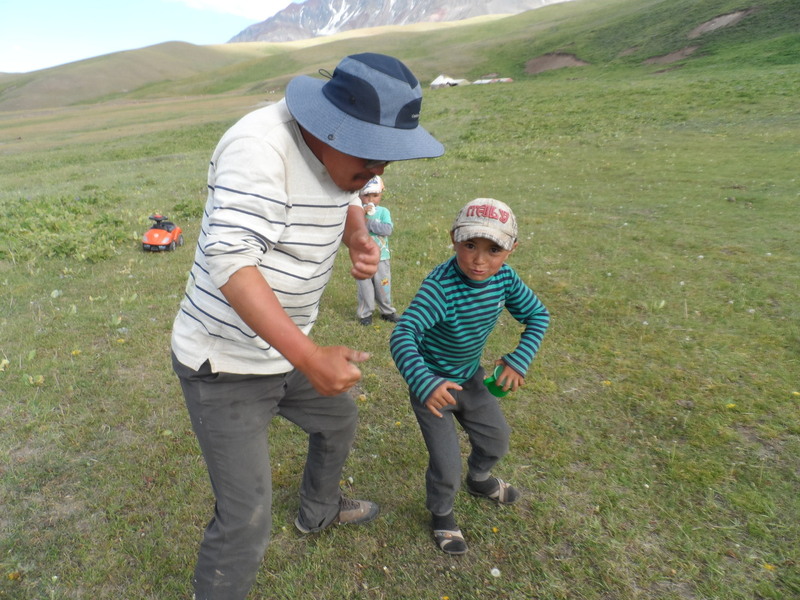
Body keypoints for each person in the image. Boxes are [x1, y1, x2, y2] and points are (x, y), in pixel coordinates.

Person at [171, 52, 444, 600]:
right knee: (246, 516)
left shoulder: (340, 157)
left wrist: (359, 235)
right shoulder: (258, 149)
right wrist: (310, 357)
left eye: (387, 161)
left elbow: (343, 190)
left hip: (285, 354)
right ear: (327, 126)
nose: (379, 173)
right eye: (370, 158)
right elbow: (232, 262)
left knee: (337, 422)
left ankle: (318, 512)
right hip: (225, 364)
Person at [389, 198, 549, 555]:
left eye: (494, 249)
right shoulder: (441, 287)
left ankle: (478, 479)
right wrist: (425, 383)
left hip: (471, 378)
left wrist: (518, 360)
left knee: (497, 440)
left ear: (511, 250)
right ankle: (442, 514)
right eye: (470, 246)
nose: (479, 259)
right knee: (445, 464)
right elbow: (403, 334)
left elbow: (538, 315)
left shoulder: (504, 279)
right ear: (454, 239)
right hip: (433, 387)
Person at [356, 175, 400, 325]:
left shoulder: (383, 212)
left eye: (375, 196)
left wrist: (369, 223)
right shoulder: (357, 212)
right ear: (359, 195)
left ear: (381, 194)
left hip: (382, 257)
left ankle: (387, 311)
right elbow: (353, 228)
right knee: (365, 287)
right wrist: (362, 215)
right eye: (366, 195)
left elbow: (387, 230)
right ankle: (365, 313)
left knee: (383, 285)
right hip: (362, 257)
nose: (370, 200)